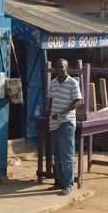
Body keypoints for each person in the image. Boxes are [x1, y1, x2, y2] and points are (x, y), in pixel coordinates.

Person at [46, 58, 82, 195]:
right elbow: (50, 102)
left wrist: (62, 112)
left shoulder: (73, 83)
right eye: (57, 67)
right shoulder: (53, 83)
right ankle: (60, 182)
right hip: (53, 123)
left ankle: (68, 185)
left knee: (67, 155)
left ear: (67, 68)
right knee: (57, 155)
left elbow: (78, 102)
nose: (59, 69)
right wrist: (47, 120)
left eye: (62, 67)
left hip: (66, 121)